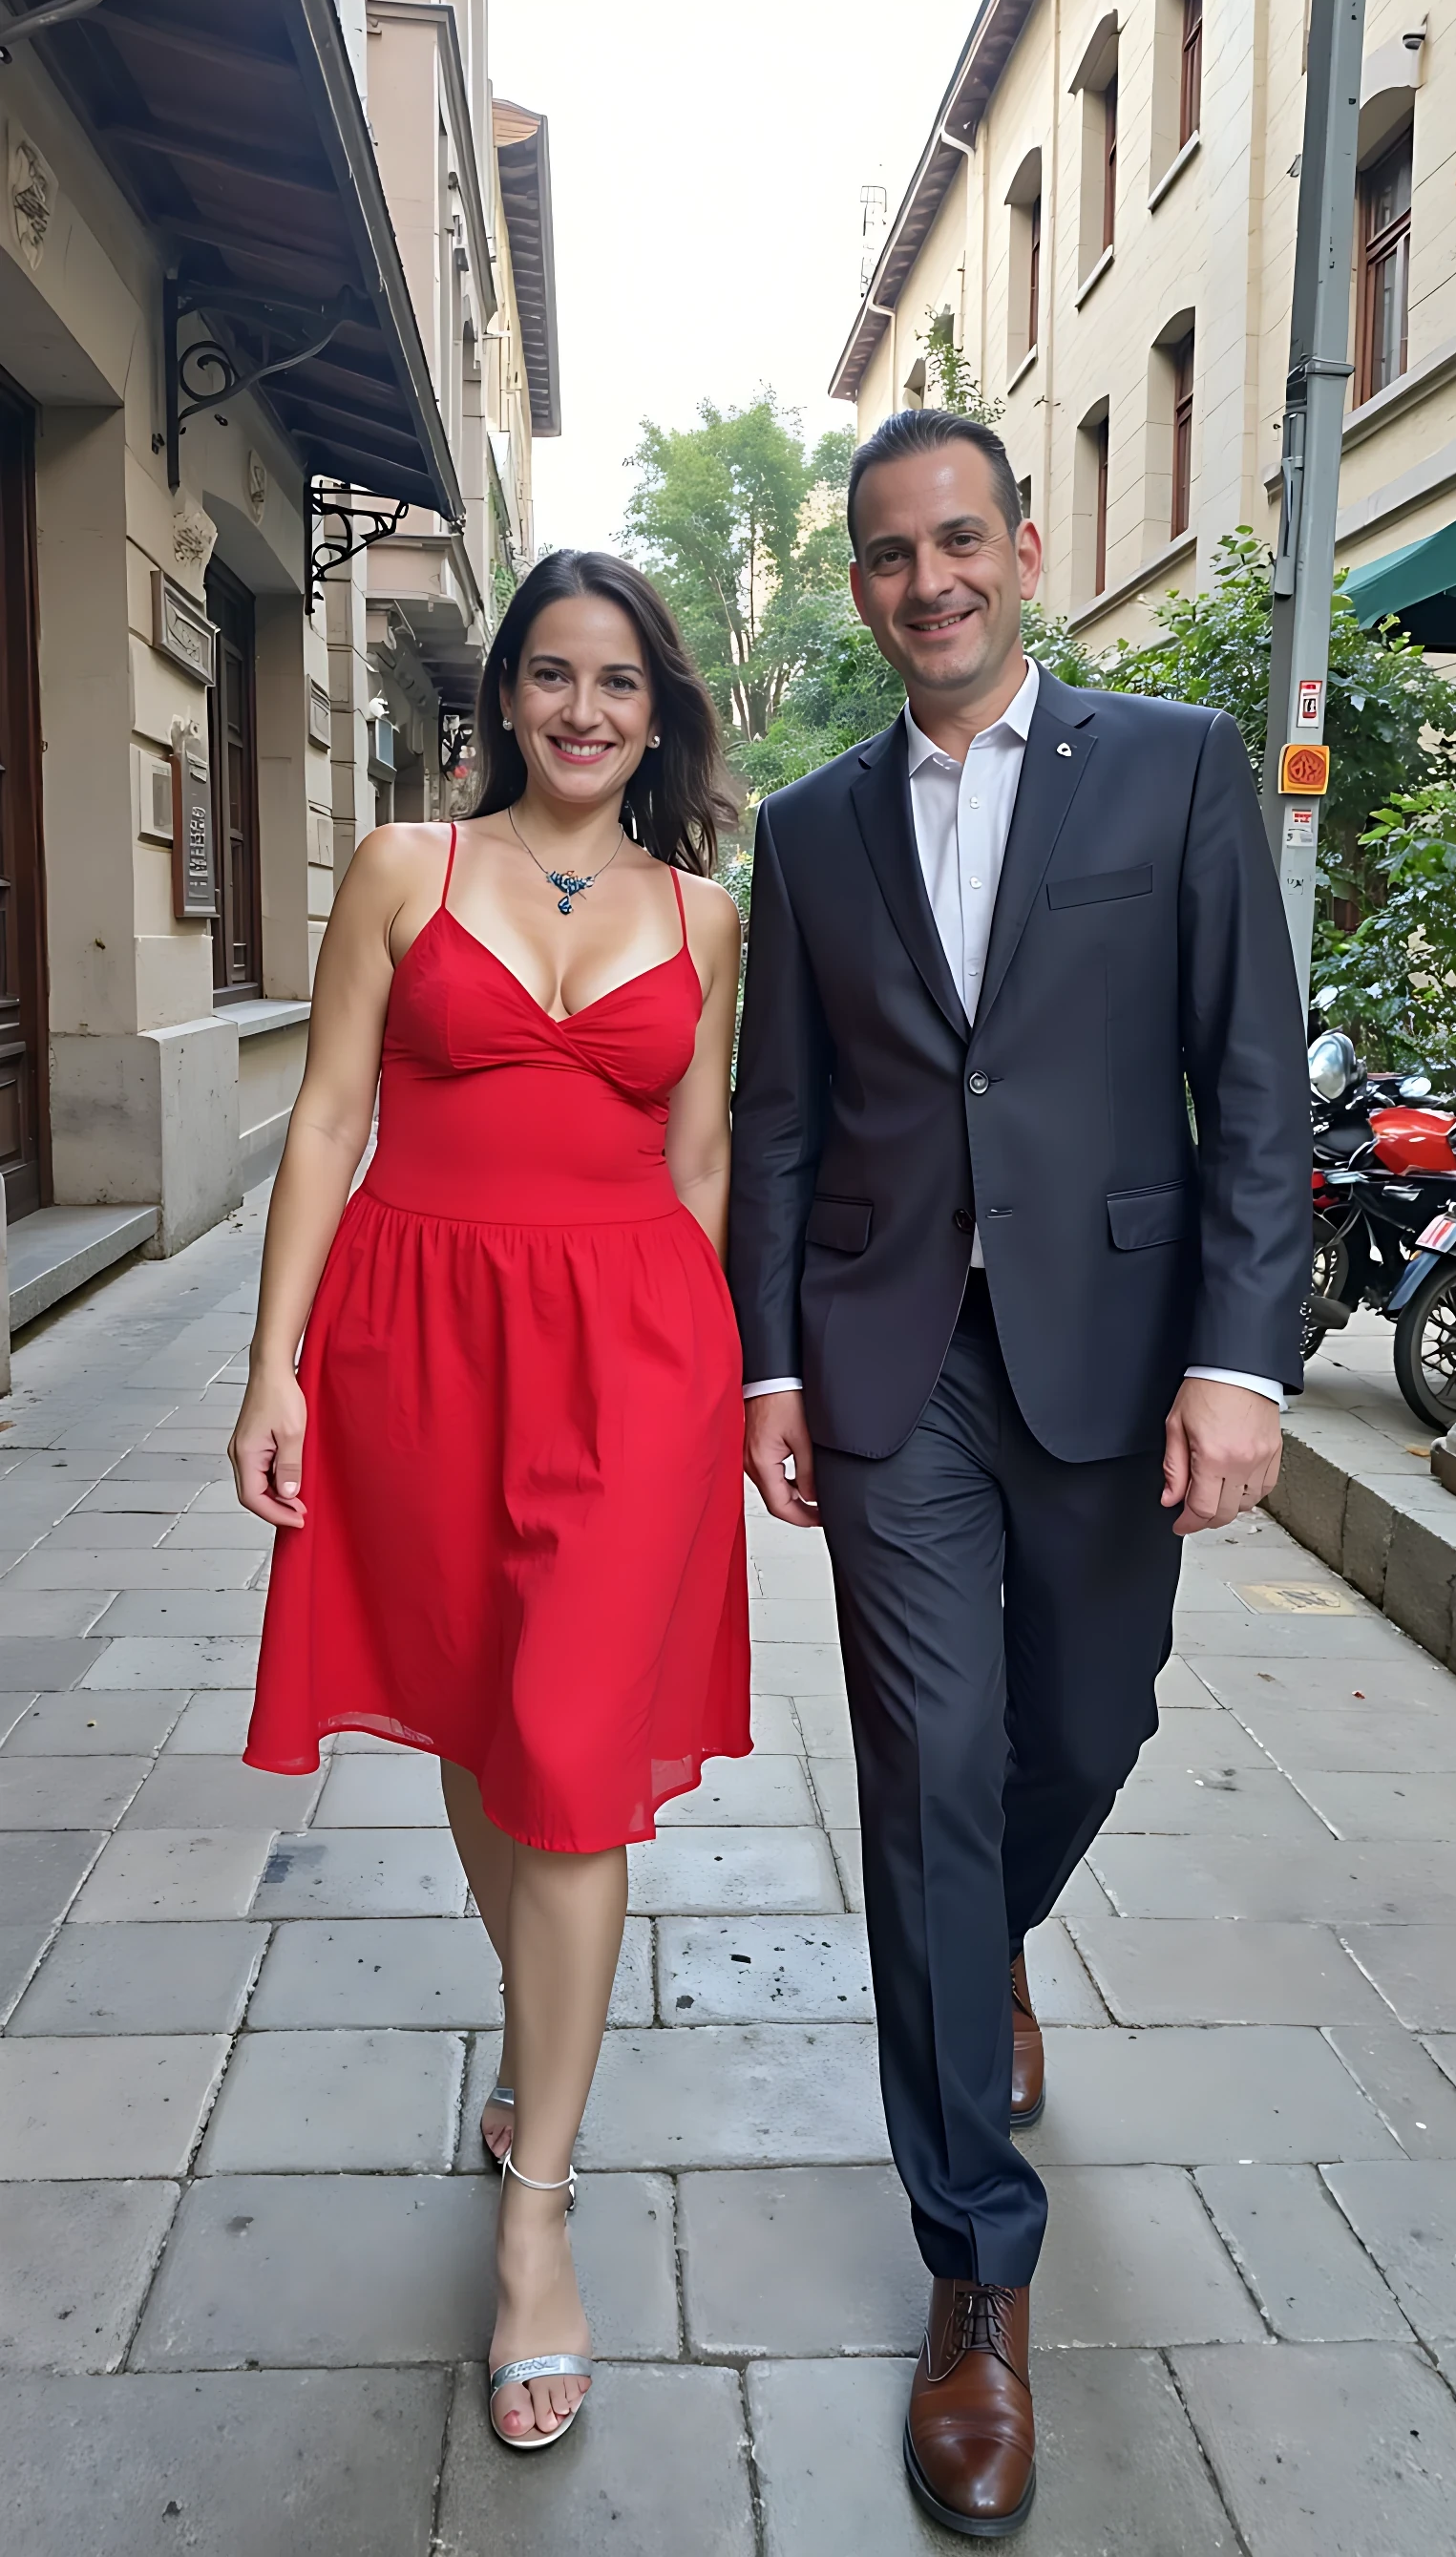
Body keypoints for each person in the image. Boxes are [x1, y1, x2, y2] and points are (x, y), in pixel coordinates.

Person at [729, 408, 1311, 2537]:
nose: (927, 581)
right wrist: (766, 1368)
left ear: (1027, 547)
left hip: (1111, 1349)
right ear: (863, 584)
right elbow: (780, 1121)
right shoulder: (813, 829)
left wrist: (1245, 1364)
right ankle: (976, 2269)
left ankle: (980, 1951)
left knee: (1086, 1720)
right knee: (930, 1764)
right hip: (893, 1371)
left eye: (958, 540)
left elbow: (1248, 1083)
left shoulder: (1164, 768)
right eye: (889, 554)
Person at [232, 550, 749, 2453]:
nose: (583, 710)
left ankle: (538, 2220)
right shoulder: (401, 871)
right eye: (551, 675)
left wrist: (706, 1387)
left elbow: (697, 1171)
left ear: (657, 706)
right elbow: (321, 1118)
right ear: (506, 698)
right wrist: (273, 1363)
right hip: (418, 1345)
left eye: (617, 680)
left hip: (629, 1368)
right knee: (471, 1713)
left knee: (570, 1756)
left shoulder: (703, 918)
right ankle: (541, 2070)